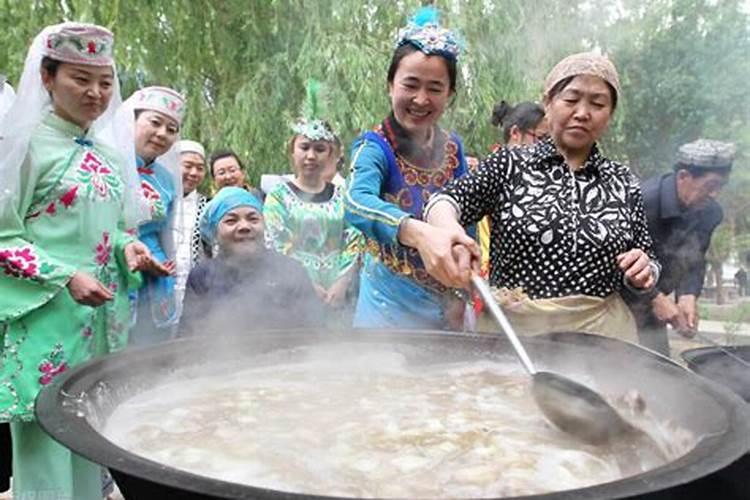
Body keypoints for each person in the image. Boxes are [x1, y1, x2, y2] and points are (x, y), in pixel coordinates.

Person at [0, 22, 167, 499]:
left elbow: (107, 227)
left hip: (99, 316)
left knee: (90, 434)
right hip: (45, 317)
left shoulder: (111, 156)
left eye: (105, 82)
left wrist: (125, 246)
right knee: (46, 443)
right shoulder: (25, 147)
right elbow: (4, 235)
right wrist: (65, 274)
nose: (96, 93)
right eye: (80, 79)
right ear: (47, 78)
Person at [423, 52, 658, 342]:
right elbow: (443, 202)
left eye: (597, 104)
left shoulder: (623, 180)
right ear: (548, 103)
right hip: (514, 336)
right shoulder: (509, 164)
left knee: (606, 390)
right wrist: (448, 231)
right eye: (571, 100)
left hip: (601, 340)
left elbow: (647, 257)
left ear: (609, 114)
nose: (582, 113)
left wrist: (644, 269)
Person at [344, 7, 476, 330]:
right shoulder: (373, 146)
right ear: (390, 85)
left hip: (444, 306)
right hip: (385, 305)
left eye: (435, 88)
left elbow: (465, 209)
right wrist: (417, 233)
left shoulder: (452, 147)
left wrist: (461, 289)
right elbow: (355, 202)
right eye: (410, 85)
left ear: (450, 95)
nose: (420, 99)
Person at [625, 139, 735, 354]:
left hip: (654, 309)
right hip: (615, 305)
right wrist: (654, 297)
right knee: (614, 375)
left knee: (658, 371)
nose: (714, 195)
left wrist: (687, 296)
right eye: (710, 186)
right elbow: (611, 260)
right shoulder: (640, 201)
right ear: (684, 176)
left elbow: (694, 258)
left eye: (720, 187)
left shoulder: (710, 212)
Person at [264, 81, 363, 312]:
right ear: (292, 151)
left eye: (319, 149)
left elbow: (354, 240)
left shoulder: (343, 197)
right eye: (304, 147)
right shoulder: (278, 197)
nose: (311, 155)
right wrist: (306, 283)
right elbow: (279, 243)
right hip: (294, 290)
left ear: (331, 155)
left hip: (340, 291)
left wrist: (342, 282)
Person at [179, 187, 322, 336]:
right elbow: (187, 337)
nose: (244, 226)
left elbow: (315, 330)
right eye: (231, 220)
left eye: (253, 219)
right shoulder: (201, 277)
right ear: (215, 231)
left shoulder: (291, 270)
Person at [125, 85, 184, 345]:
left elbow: (166, 232)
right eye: (155, 123)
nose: (162, 134)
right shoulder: (108, 164)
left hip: (157, 276)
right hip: (117, 269)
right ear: (132, 120)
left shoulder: (168, 180)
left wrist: (166, 265)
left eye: (171, 130)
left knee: (149, 355)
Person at [173, 139, 209, 317]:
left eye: (200, 168)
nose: (194, 173)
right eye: (187, 166)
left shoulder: (207, 206)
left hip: (195, 293)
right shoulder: (157, 200)